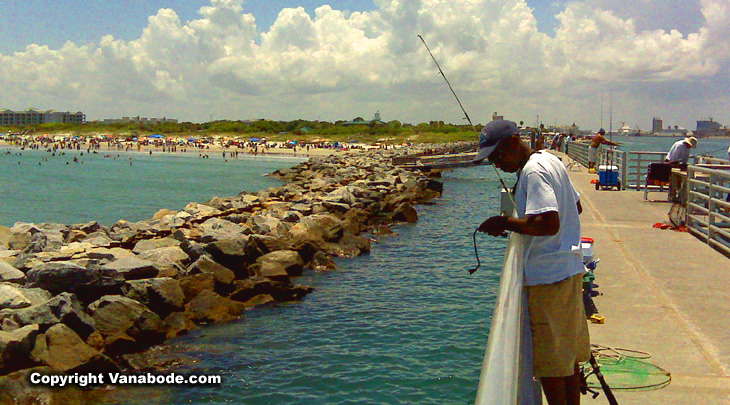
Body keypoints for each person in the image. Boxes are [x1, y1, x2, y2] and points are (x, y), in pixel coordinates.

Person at [474, 120, 589, 405]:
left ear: (514, 143)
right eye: (491, 160)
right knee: (568, 359)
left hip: (549, 279)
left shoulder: (533, 171)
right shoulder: (549, 159)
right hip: (570, 270)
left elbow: (548, 224)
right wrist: (518, 224)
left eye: (497, 156)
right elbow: (575, 206)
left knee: (551, 366)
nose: (496, 164)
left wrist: (505, 222)